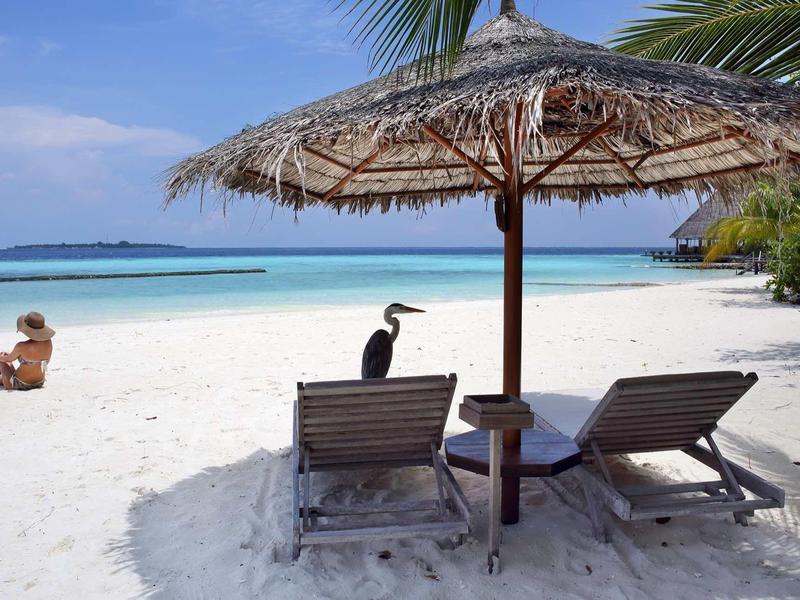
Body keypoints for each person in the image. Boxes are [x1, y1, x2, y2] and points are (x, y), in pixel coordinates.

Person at [1, 312, 55, 391]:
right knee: (6, 358)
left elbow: (8, 359)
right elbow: (46, 363)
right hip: (39, 382)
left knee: (2, 360)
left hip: (18, 383)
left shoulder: (21, 346)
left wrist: (2, 356)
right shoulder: (48, 342)